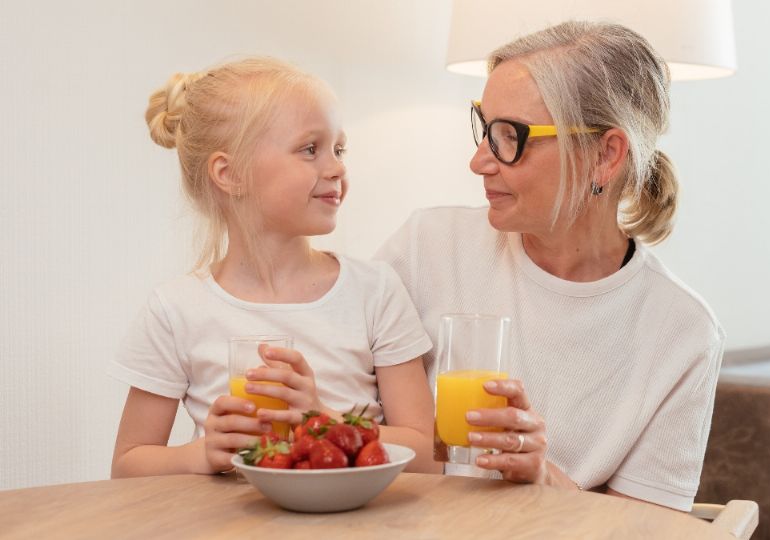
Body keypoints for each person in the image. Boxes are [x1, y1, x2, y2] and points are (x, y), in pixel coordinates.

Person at [375, 21, 723, 511]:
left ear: (606, 156)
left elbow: (644, 529)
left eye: (509, 136)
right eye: (483, 126)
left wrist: (544, 476)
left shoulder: (681, 332)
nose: (479, 161)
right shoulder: (426, 248)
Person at [110, 57, 438, 476]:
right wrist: (201, 454)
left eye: (339, 149)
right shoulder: (176, 310)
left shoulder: (375, 290)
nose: (337, 167)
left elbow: (429, 457)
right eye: (310, 149)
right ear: (230, 174)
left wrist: (320, 417)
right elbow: (126, 465)